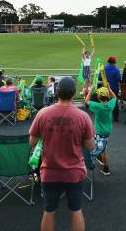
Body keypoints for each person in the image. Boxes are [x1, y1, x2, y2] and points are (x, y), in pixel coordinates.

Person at [29, 77, 95, 231]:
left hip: (49, 172)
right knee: (76, 210)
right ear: (73, 94)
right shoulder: (83, 116)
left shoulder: (43, 113)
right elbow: (91, 146)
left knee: (49, 211)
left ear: (57, 92)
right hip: (74, 172)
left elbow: (32, 141)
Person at [84, 86, 116, 175]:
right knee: (103, 146)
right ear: (108, 96)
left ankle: (106, 169)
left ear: (98, 97)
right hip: (107, 131)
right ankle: (101, 158)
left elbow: (86, 101)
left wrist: (90, 90)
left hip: (99, 132)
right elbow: (115, 97)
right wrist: (110, 89)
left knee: (103, 149)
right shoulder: (110, 105)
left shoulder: (98, 106)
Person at [104, 56, 121, 122]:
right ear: (114, 62)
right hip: (114, 88)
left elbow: (100, 77)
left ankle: (106, 116)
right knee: (115, 102)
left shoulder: (104, 68)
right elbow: (118, 79)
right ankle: (115, 118)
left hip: (106, 88)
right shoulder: (116, 70)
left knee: (105, 102)